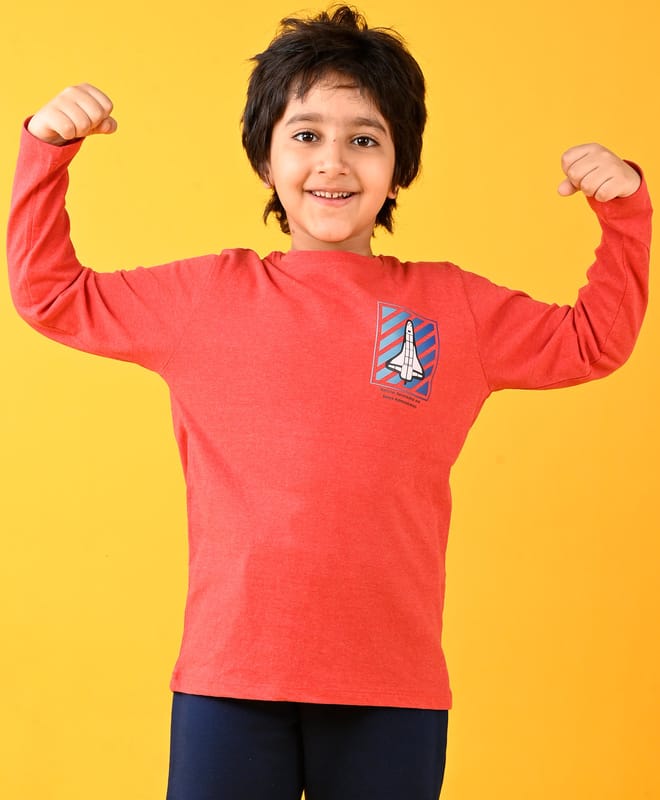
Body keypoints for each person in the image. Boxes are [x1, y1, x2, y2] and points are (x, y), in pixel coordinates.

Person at [6, 6, 651, 800]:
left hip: (392, 689)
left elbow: (593, 340)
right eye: (306, 134)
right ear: (266, 158)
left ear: (400, 164)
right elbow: (50, 295)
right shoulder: (208, 298)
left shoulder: (449, 308)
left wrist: (625, 213)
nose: (333, 162)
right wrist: (47, 150)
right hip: (230, 680)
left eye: (365, 139)